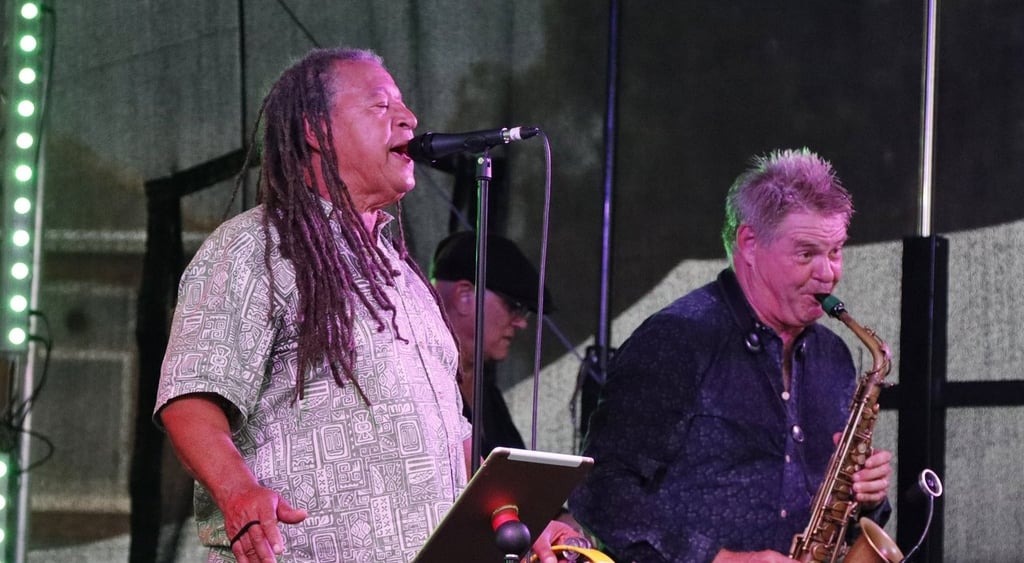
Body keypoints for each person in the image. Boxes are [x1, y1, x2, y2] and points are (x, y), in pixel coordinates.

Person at [154, 47, 575, 563]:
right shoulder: (254, 248)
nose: (409, 118)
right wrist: (237, 490)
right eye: (380, 105)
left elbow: (450, 442)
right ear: (315, 129)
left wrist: (519, 519)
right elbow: (191, 397)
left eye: (404, 104)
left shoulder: (404, 278)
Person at [568, 148, 894, 563]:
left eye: (835, 251)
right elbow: (598, 489)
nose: (828, 273)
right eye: (806, 253)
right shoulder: (677, 340)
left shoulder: (834, 357)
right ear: (749, 244)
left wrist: (868, 497)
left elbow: (838, 513)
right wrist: (719, 559)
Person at [430, 231, 556, 454]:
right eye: (513, 306)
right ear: (464, 296)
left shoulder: (488, 394)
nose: (521, 323)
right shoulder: (416, 381)